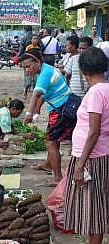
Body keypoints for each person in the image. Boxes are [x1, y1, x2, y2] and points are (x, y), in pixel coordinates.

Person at [63, 47, 109, 244]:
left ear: (82, 71)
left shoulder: (95, 93)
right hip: (98, 155)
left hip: (91, 158)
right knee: (93, 207)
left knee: (95, 210)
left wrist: (80, 165)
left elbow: (93, 131)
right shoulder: (106, 90)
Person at [22, 48, 75, 186]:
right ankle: (48, 164)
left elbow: (36, 94)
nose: (27, 70)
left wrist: (29, 114)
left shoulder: (44, 74)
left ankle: (57, 178)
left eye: (28, 66)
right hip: (60, 106)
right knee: (52, 138)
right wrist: (38, 108)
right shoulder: (47, 68)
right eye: (25, 67)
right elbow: (46, 92)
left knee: (50, 142)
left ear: (37, 62)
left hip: (61, 109)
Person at [23, 34, 42, 99]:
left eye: (37, 39)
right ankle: (25, 91)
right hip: (29, 67)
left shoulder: (38, 48)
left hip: (35, 68)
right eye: (34, 39)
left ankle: (34, 96)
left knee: (36, 82)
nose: (35, 40)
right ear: (31, 40)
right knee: (28, 82)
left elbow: (40, 58)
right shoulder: (28, 47)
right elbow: (26, 57)